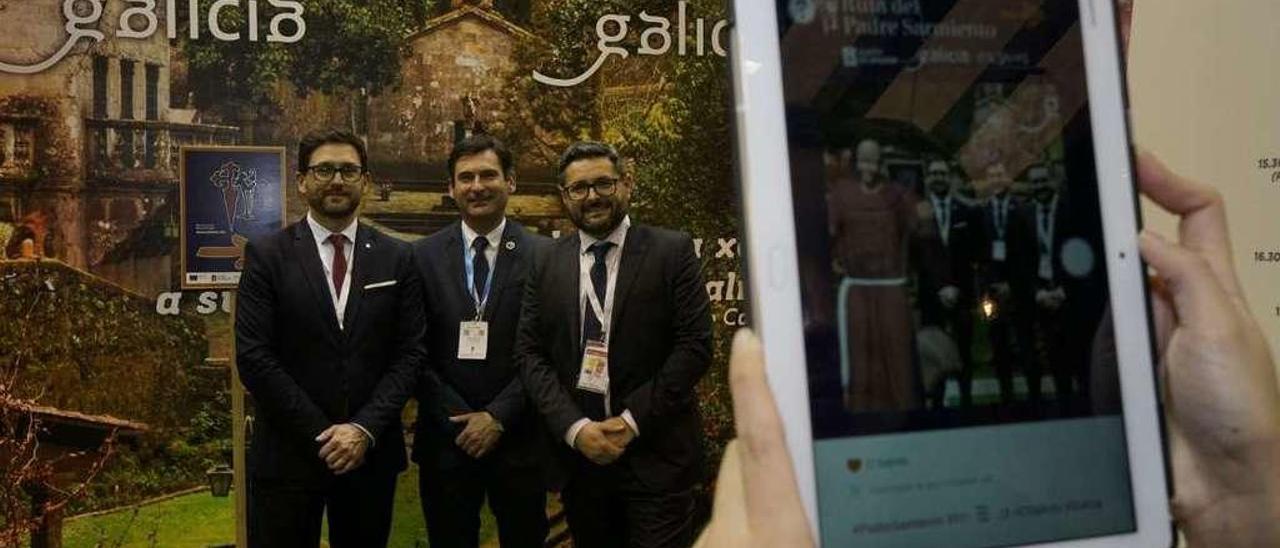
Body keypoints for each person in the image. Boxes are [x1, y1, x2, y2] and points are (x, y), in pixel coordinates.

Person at [695, 152, 1280, 547]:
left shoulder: (959, 208)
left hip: (1030, 298)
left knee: (1033, 373)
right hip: (922, 299)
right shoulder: (855, 203)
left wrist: (1255, 492)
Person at [516, 141, 713, 547]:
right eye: (579, 188)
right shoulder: (546, 261)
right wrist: (575, 428)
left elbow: (694, 346)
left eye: (603, 184)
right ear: (564, 195)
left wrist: (629, 423)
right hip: (581, 463)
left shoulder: (672, 250)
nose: (592, 197)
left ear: (626, 184)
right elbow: (530, 353)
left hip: (656, 457)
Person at [235, 130, 425, 548]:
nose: (337, 180)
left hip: (369, 455)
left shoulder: (398, 257)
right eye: (324, 169)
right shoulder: (267, 255)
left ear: (366, 181)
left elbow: (410, 354)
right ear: (302, 181)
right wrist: (324, 434)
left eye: (348, 170)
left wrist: (361, 430)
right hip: (289, 454)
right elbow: (254, 356)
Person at [411, 134, 552, 548]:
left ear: (510, 181)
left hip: (520, 439)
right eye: (465, 177)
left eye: (488, 175)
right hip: (445, 440)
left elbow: (549, 348)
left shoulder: (544, 256)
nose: (477, 186)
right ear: (450, 187)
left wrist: (498, 416)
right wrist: (459, 417)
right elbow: (411, 349)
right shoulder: (421, 257)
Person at [829, 138, 921, 412]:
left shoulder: (898, 196)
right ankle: (861, 416)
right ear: (856, 162)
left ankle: (905, 417)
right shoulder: (842, 195)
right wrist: (836, 261)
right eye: (863, 160)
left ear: (882, 163)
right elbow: (830, 236)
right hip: (858, 289)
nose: (867, 167)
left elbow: (915, 236)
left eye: (873, 161)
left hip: (891, 288)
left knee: (897, 357)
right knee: (862, 357)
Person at [913, 159, 980, 406]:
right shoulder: (917, 214)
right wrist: (939, 289)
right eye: (933, 174)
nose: (938, 178)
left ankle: (966, 402)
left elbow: (974, 255)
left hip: (961, 296)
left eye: (942, 173)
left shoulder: (966, 212)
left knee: (964, 353)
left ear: (949, 178)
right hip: (932, 299)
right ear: (927, 179)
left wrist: (956, 288)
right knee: (935, 355)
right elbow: (916, 259)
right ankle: (938, 408)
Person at [975, 161, 1037, 404]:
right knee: (996, 338)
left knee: (1025, 340)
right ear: (987, 181)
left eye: (1000, 175)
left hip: (1018, 290)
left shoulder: (1022, 210)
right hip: (989, 294)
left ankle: (1034, 398)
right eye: (992, 176)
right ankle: (1006, 397)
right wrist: (988, 285)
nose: (997, 179)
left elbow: (1028, 253)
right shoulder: (980, 212)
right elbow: (979, 254)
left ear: (1007, 179)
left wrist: (1012, 283)